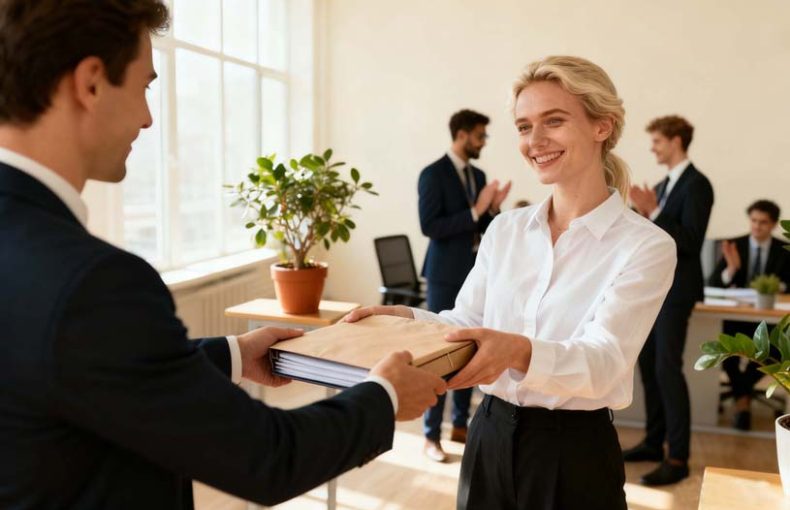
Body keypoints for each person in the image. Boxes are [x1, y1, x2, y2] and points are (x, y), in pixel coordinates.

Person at [0, 2, 446, 508]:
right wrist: (384, 399)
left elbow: (77, 374)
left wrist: (233, 355)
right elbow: (268, 458)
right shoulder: (94, 281)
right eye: (145, 86)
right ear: (92, 82)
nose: (148, 120)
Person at [347, 56, 677, 510]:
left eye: (554, 121)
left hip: (574, 455)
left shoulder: (646, 245)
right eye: (523, 127)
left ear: (602, 125)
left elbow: (604, 362)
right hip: (489, 437)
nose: (535, 141)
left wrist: (518, 350)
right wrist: (402, 320)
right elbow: (464, 321)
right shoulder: (505, 230)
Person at [417, 109, 510, 461]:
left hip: (476, 274)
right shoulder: (433, 174)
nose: (483, 142)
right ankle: (430, 435)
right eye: (480, 135)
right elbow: (430, 226)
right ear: (461, 134)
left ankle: (460, 424)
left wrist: (492, 210)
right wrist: (476, 211)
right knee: (439, 351)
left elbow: (483, 227)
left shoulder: (480, 174)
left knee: (469, 347)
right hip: (444, 274)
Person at [626, 115, 714, 485]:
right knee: (647, 364)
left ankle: (678, 458)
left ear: (676, 141)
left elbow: (690, 241)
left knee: (667, 368)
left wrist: (655, 212)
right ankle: (653, 441)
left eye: (658, 141)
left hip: (678, 291)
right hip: (655, 289)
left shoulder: (697, 184)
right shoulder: (662, 185)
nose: (653, 148)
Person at [708, 199, 790, 430]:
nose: (757, 226)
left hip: (769, 321)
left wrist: (778, 287)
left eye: (763, 222)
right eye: (753, 220)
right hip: (735, 319)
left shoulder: (783, 250)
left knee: (775, 351)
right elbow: (713, 283)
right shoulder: (734, 245)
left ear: (773, 224)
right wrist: (731, 269)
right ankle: (743, 400)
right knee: (726, 347)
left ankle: (740, 397)